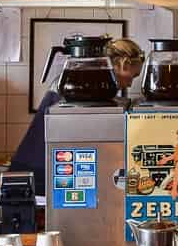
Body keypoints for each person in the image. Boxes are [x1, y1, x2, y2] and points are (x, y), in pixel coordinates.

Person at [9, 38, 145, 190]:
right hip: (39, 171)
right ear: (124, 64)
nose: (130, 84)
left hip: (54, 170)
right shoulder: (85, 88)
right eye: (132, 76)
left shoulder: (88, 88)